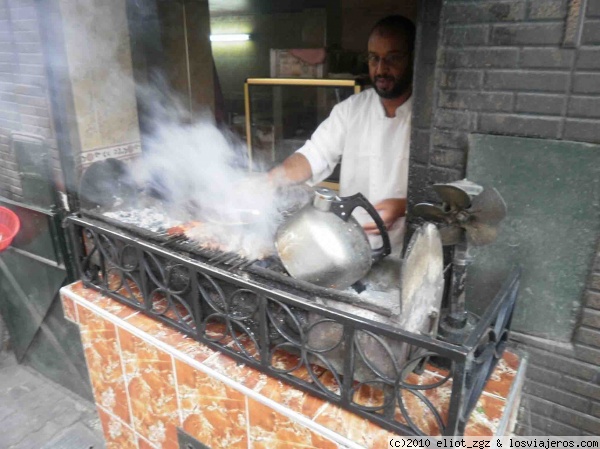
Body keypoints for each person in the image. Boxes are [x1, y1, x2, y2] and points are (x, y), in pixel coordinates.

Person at [268, 15, 415, 254]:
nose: (381, 69)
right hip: (353, 244)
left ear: (413, 59)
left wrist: (402, 206)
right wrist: (271, 179)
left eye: (393, 58)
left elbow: (441, 195)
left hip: (406, 249)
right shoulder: (351, 110)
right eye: (374, 58)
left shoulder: (428, 120)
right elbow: (314, 154)